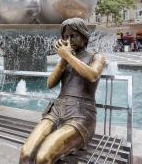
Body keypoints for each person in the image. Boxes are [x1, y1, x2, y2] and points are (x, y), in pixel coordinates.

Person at [19, 18, 106, 164]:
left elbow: (92, 75)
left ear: (84, 37)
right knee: (26, 153)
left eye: (73, 36)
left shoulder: (96, 57)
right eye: (65, 37)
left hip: (81, 115)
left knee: (43, 157)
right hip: (57, 110)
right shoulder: (65, 59)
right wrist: (62, 61)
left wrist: (67, 56)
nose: (68, 40)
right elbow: (50, 84)